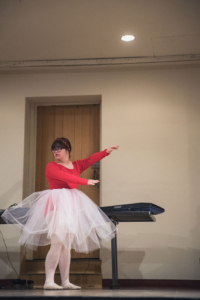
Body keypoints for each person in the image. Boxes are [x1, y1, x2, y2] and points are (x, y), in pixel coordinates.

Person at [2, 137, 119, 290]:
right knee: (57, 243)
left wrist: (106, 152)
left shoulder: (77, 165)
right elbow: (64, 177)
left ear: (67, 150)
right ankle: (49, 281)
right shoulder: (51, 166)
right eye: (54, 149)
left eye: (59, 148)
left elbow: (91, 159)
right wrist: (85, 181)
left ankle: (65, 281)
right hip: (55, 206)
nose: (55, 151)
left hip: (71, 206)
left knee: (66, 245)